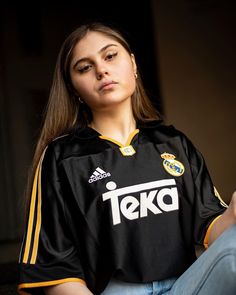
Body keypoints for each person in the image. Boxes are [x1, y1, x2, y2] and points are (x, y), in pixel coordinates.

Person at [18, 22, 236, 295]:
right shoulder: (62, 158)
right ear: (74, 88)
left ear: (132, 63)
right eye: (85, 67)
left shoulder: (173, 142)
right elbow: (53, 267)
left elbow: (211, 225)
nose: (101, 70)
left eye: (110, 56)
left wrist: (233, 214)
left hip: (186, 285)